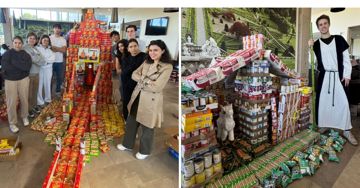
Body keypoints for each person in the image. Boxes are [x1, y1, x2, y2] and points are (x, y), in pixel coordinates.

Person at [117, 40, 173, 160]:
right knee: (131, 121)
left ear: (162, 51)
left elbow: (158, 86)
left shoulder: (167, 67)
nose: (152, 53)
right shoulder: (147, 62)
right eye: (151, 50)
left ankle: (145, 150)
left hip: (151, 99)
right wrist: (147, 80)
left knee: (148, 125)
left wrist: (142, 80)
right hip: (138, 95)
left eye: (156, 50)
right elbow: (133, 74)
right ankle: (127, 144)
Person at [308, 14, 358, 145]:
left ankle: (346, 130)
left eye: (325, 23)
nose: (323, 26)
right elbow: (312, 61)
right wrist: (310, 47)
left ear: (328, 24)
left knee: (343, 104)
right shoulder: (316, 44)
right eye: (320, 24)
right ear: (318, 28)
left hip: (339, 76)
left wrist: (347, 74)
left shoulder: (339, 39)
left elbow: (346, 59)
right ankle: (324, 124)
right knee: (324, 104)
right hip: (324, 77)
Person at [1, 36, 32, 133]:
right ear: (13, 43)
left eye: (19, 43)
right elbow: (6, 67)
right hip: (10, 81)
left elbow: (27, 67)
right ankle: (12, 123)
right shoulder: (7, 54)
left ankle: (24, 116)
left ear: (22, 44)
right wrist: (20, 65)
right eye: (15, 42)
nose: (17, 45)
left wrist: (14, 63)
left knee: (24, 99)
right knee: (11, 102)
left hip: (23, 79)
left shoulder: (26, 55)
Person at [118, 39, 146, 119]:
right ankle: (126, 119)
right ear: (128, 49)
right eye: (131, 47)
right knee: (126, 101)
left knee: (137, 103)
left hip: (138, 84)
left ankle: (136, 120)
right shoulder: (125, 57)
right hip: (126, 83)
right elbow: (124, 72)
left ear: (138, 46)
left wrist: (131, 70)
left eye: (135, 46)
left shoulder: (144, 56)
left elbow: (144, 71)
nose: (133, 48)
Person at [23, 32, 47, 118]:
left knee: (35, 92)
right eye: (30, 38)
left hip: (37, 73)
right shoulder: (25, 48)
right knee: (29, 94)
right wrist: (39, 61)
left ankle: (33, 106)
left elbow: (42, 59)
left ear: (36, 40)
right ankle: (28, 109)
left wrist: (38, 60)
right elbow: (33, 59)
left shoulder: (35, 48)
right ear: (27, 39)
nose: (32, 40)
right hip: (29, 74)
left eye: (34, 38)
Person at [37, 35, 56, 108]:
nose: (45, 41)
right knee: (40, 85)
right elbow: (38, 59)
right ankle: (40, 101)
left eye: (47, 40)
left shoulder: (50, 50)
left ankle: (48, 99)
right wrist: (46, 61)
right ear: (41, 40)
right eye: (44, 40)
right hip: (40, 69)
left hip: (48, 69)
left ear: (49, 42)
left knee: (47, 84)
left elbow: (53, 59)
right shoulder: (37, 49)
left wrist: (45, 61)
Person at [50, 24, 67, 97]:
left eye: (58, 28)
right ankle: (49, 93)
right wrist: (59, 49)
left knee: (59, 78)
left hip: (59, 61)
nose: (57, 30)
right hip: (50, 61)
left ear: (60, 30)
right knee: (50, 78)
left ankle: (58, 91)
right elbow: (50, 48)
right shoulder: (49, 38)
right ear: (53, 29)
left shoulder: (63, 39)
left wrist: (54, 48)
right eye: (55, 28)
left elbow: (63, 50)